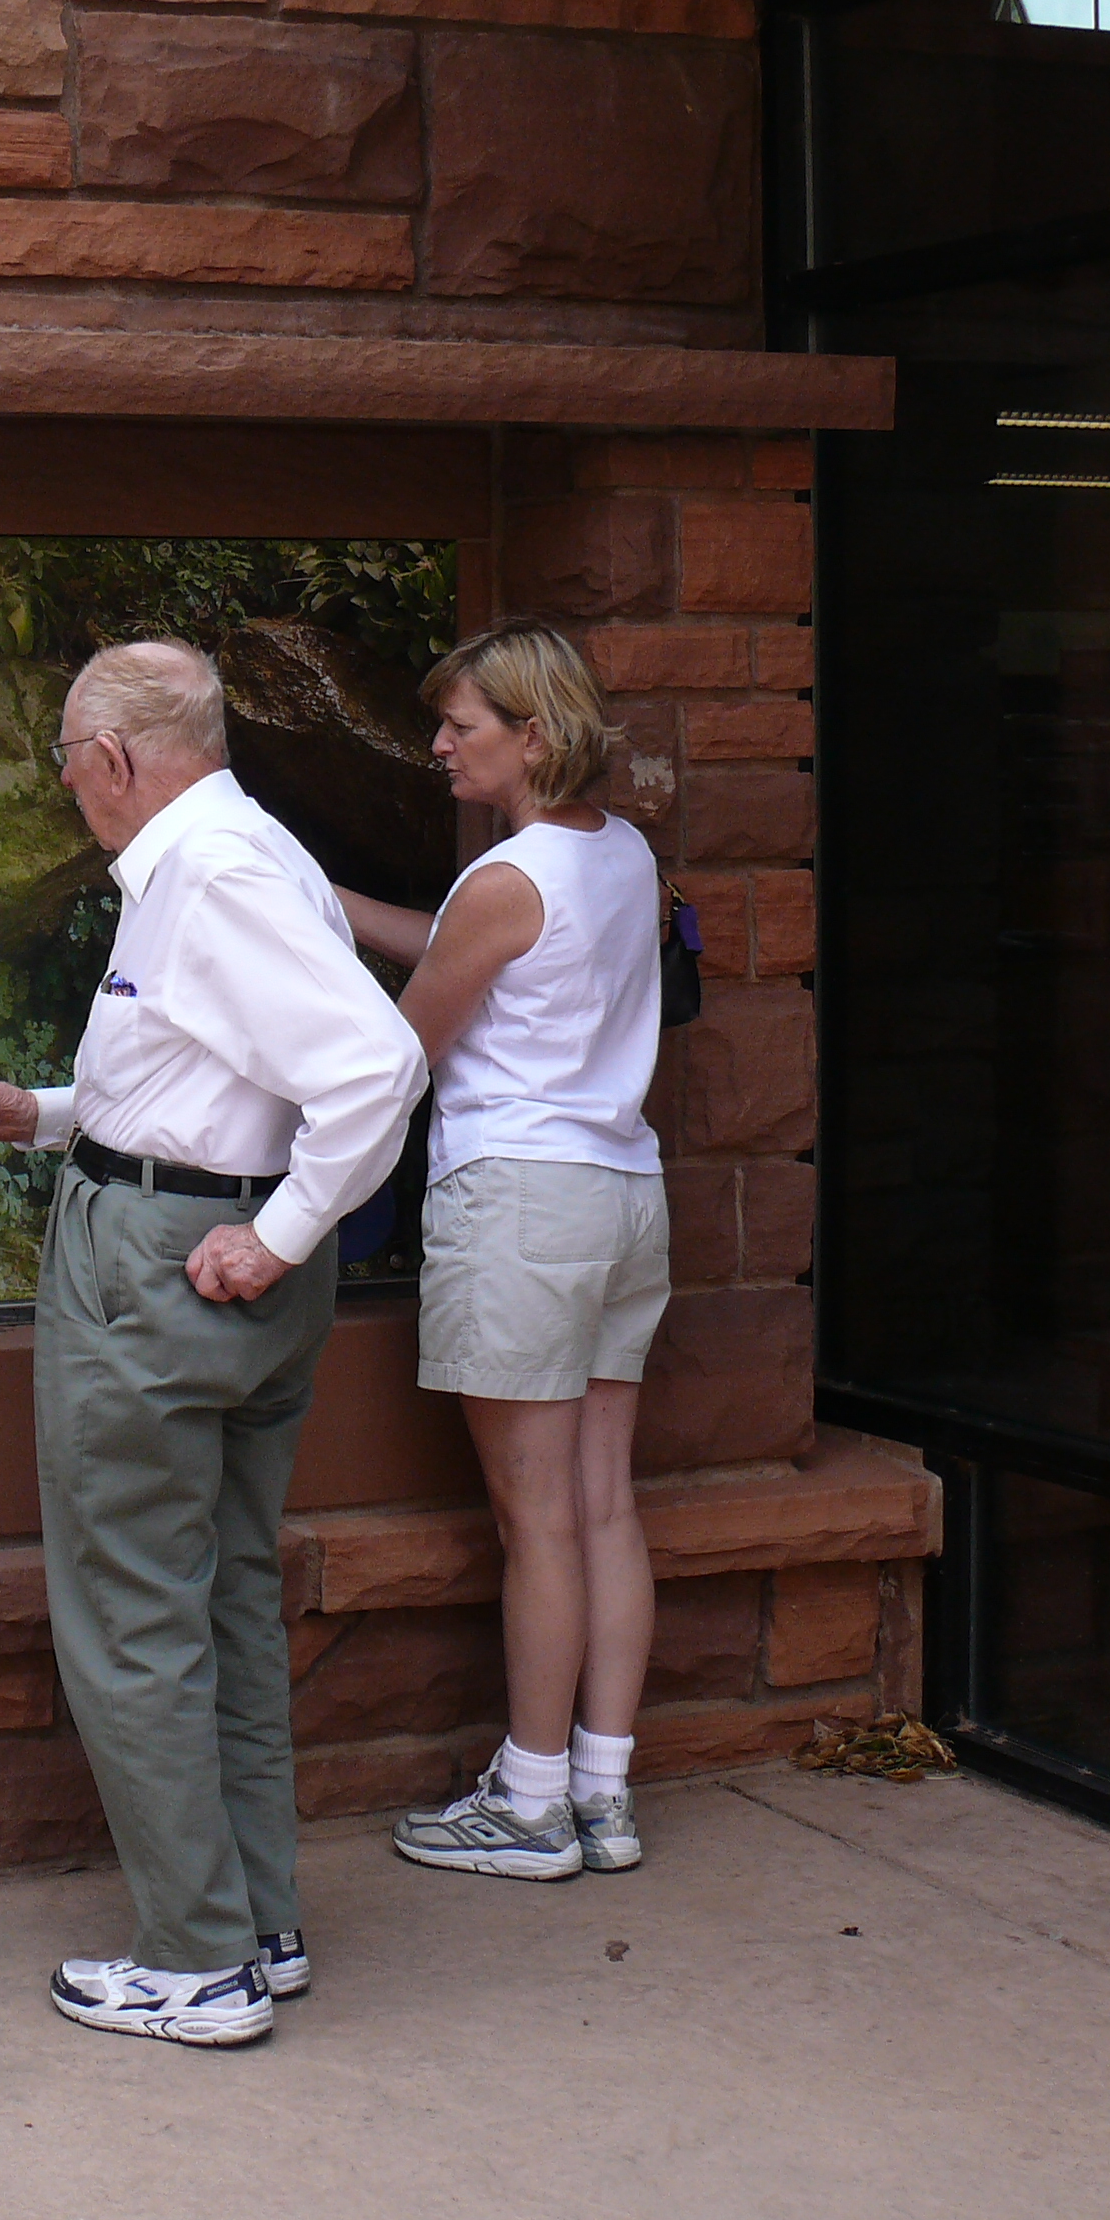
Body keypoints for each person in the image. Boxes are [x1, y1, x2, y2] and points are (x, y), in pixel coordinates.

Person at [0, 641, 425, 2047]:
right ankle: (254, 1922)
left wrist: (276, 1235)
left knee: (131, 1615)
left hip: (166, 1275)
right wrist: (41, 1115)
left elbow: (375, 1069)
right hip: (204, 1256)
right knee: (215, 1599)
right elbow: (201, 1076)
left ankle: (195, 1959)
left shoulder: (206, 878)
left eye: (67, 765)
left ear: (109, 760)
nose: (67, 789)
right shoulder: (239, 853)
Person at [337, 617, 669, 1883]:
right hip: (623, 1198)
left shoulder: (507, 880)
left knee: (536, 1524)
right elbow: (484, 943)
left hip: (522, 1204)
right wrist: (339, 906)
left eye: (461, 726)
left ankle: (526, 1805)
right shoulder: (618, 853)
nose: (439, 745)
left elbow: (397, 1058)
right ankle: (602, 1791)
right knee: (602, 1507)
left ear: (531, 734)